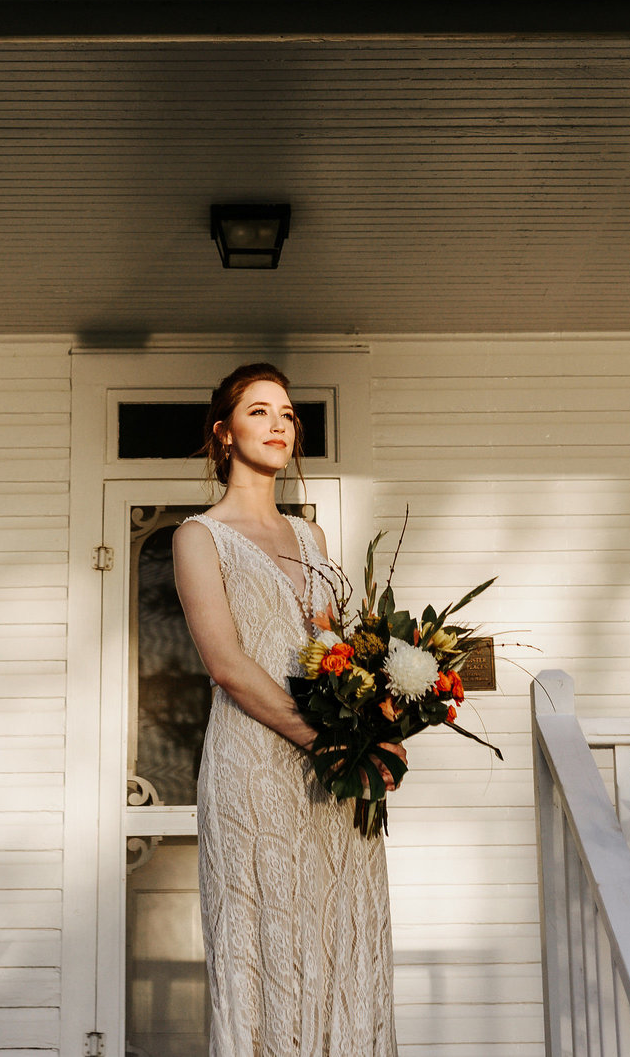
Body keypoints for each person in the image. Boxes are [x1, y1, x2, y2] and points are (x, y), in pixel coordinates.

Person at [171, 362, 399, 1057]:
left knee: (337, 934)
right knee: (260, 945)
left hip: (331, 777)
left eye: (288, 413)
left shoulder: (312, 538)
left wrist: (375, 733)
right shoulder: (197, 536)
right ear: (224, 431)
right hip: (255, 768)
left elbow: (331, 654)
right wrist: (324, 741)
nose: (279, 424)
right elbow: (228, 664)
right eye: (260, 410)